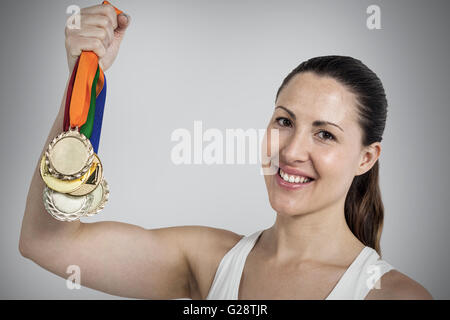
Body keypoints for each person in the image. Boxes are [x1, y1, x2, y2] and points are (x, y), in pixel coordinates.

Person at [19, 3, 432, 300]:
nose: (291, 151)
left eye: (325, 134)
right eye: (284, 121)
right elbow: (46, 242)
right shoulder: (206, 262)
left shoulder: (393, 295)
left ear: (367, 158)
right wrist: (83, 88)